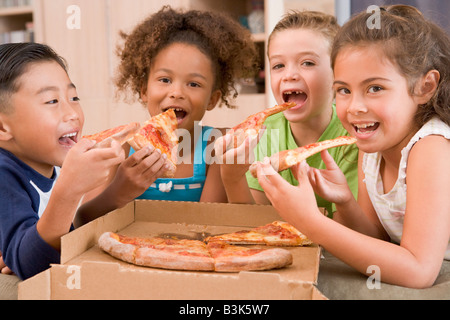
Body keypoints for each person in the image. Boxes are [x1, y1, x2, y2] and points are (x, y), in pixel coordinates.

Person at [254, 5, 450, 288]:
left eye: (375, 88)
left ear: (425, 87)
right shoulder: (371, 148)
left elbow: (418, 271)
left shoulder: (431, 148)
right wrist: (344, 202)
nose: (355, 107)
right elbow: (377, 241)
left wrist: (311, 222)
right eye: (344, 90)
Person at [77, 6, 258, 217]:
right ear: (144, 90)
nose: (177, 92)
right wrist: (119, 191)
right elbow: (81, 221)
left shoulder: (217, 147)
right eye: (165, 80)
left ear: (213, 99)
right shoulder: (122, 151)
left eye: (194, 84)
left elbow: (206, 225)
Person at [0, 43, 125, 281]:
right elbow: (33, 268)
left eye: (74, 97)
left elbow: (68, 235)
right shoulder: (4, 173)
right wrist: (68, 191)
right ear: (2, 126)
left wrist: (124, 185)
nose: (73, 113)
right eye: (51, 101)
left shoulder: (50, 162)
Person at [217, 11, 358, 216]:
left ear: (338, 73)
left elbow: (350, 234)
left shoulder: (352, 139)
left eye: (307, 63)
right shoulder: (261, 134)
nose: (289, 75)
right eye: (278, 65)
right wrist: (232, 179)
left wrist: (302, 214)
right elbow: (251, 224)